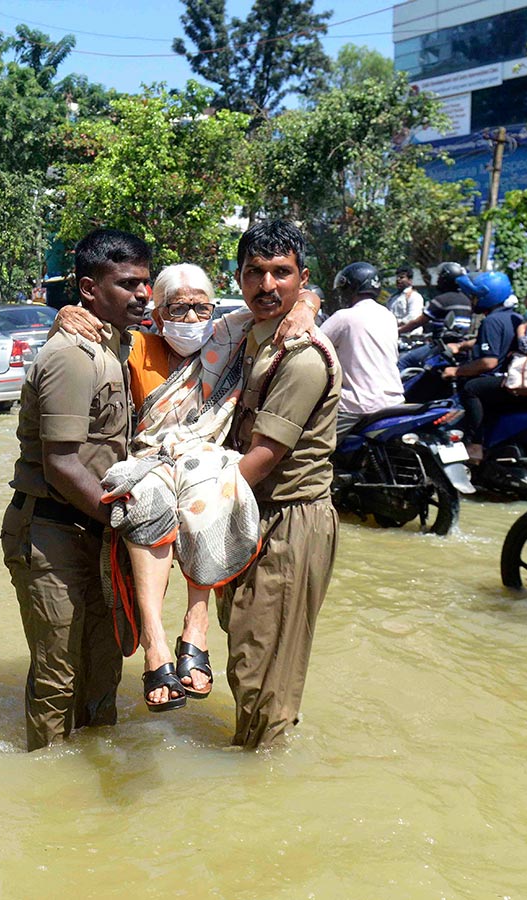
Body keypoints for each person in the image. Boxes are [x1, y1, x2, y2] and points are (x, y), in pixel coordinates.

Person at [49, 265, 321, 710]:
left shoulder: (231, 336)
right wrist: (63, 313)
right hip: (150, 461)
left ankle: (196, 625)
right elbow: (80, 332)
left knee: (209, 483)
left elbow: (291, 299)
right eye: (178, 307)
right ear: (157, 313)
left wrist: (309, 305)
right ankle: (156, 645)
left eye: (201, 306)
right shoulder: (134, 345)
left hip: (204, 465)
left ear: (214, 310)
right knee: (144, 498)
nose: (192, 317)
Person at [0, 227, 151, 751]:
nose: (142, 294)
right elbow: (62, 463)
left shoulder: (117, 346)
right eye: (128, 284)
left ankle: (95, 781)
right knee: (57, 680)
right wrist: (130, 525)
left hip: (95, 529)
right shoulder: (72, 355)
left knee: (102, 669)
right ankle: (49, 794)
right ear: (89, 289)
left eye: (146, 283)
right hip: (52, 533)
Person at [218, 219, 341, 749]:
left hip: (289, 519)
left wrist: (181, 505)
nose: (268, 286)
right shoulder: (247, 336)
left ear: (302, 278)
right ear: (240, 278)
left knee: (263, 672)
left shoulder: (302, 356)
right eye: (255, 273)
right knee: (249, 647)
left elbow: (265, 456)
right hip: (251, 512)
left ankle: (259, 776)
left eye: (282, 274)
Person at [441, 271, 523, 461]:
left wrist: (456, 370)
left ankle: (475, 444)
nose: (472, 300)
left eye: (475, 296)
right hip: (510, 375)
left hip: (498, 378)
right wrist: (462, 345)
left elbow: (489, 362)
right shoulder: (513, 317)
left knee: (470, 388)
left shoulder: (491, 321)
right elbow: (492, 341)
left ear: (488, 297)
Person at [320, 261, 405, 439]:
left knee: (310, 449)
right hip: (394, 401)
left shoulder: (345, 317)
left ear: (350, 288)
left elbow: (311, 346)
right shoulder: (388, 316)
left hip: (358, 404)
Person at [397, 261, 473, 370]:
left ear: (446, 279)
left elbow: (418, 322)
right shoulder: (466, 300)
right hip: (460, 346)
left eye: (440, 277)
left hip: (441, 346)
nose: (437, 280)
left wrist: (397, 331)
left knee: (404, 361)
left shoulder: (442, 300)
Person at [387, 266, 424, 334]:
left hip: (409, 337)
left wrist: (396, 324)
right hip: (393, 335)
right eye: (397, 277)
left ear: (410, 280)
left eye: (402, 277)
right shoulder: (392, 298)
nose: (398, 280)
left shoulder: (414, 296)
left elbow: (413, 317)